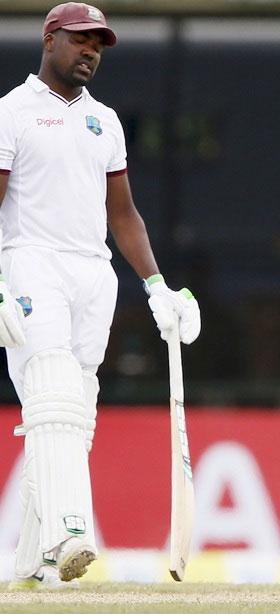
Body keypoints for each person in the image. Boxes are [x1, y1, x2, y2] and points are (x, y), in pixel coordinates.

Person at [0, 2, 201, 589]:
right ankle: (69, 530)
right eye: (81, 40)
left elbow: (124, 212)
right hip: (31, 261)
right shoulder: (11, 112)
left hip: (94, 274)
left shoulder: (105, 122)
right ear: (49, 39)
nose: (91, 51)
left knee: (72, 413)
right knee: (54, 393)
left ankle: (30, 557)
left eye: (99, 44)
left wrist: (157, 285)